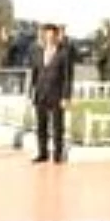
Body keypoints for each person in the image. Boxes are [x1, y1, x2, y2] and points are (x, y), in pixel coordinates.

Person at [29, 24, 73, 164]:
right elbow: (34, 74)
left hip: (57, 93)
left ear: (56, 36)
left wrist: (66, 97)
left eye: (52, 35)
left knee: (57, 126)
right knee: (41, 125)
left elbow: (67, 77)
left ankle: (57, 154)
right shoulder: (37, 52)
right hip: (41, 93)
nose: (49, 38)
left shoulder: (64, 53)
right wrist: (32, 91)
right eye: (47, 35)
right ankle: (42, 153)